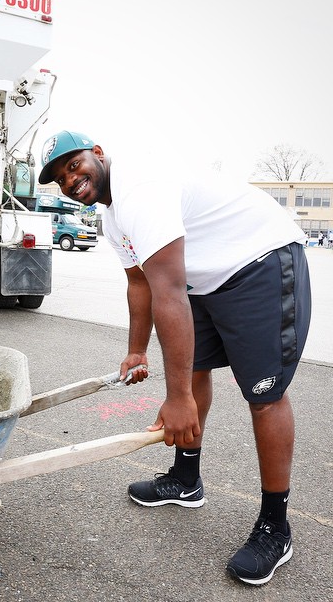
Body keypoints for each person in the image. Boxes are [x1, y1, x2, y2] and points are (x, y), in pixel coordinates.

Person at [38, 130, 311, 586]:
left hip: (260, 259)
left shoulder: (139, 188)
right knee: (195, 364)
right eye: (60, 179)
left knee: (264, 396)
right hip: (207, 278)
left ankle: (275, 527)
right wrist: (136, 350)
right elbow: (141, 284)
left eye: (73, 165)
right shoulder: (112, 218)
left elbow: (167, 290)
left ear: (98, 154)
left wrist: (178, 397)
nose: (70, 181)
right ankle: (186, 480)